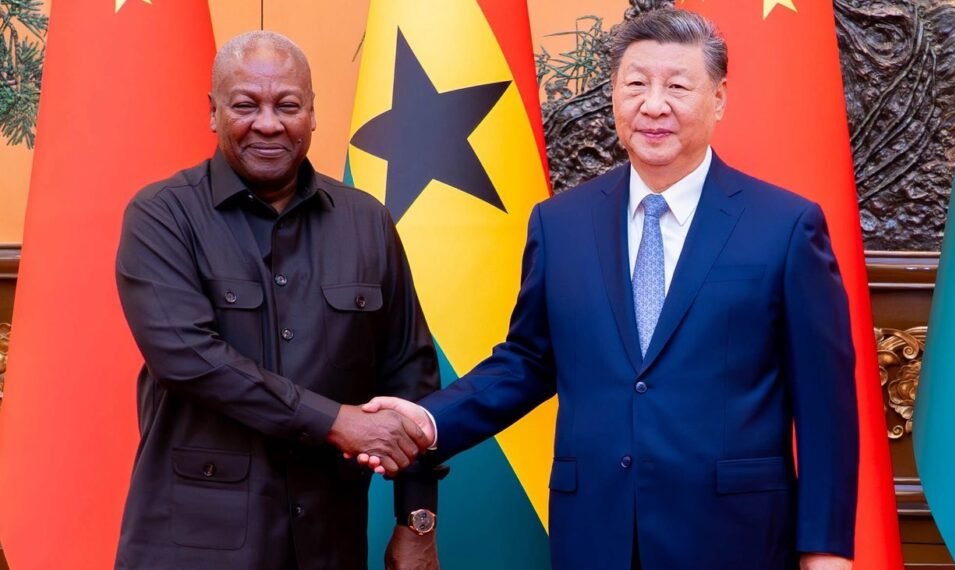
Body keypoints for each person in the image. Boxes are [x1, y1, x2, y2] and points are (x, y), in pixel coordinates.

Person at [363, 8, 859, 570]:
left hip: (733, 538)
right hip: (595, 535)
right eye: (636, 85)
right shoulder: (560, 224)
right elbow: (528, 361)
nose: (654, 105)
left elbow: (826, 407)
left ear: (718, 99)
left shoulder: (785, 226)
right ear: (615, 98)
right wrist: (428, 422)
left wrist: (826, 551)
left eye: (677, 86)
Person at [114, 31, 441, 569]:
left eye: (287, 105)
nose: (268, 123)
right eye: (246, 105)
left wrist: (418, 521)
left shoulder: (367, 222)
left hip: (328, 540)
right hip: (194, 545)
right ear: (214, 112)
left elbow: (412, 379)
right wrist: (336, 420)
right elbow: (189, 359)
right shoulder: (161, 216)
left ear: (312, 114)